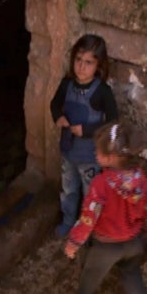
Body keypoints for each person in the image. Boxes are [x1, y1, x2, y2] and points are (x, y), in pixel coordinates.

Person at [63, 122, 147, 294]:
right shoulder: (140, 178)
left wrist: (73, 243)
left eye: (97, 152)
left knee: (92, 272)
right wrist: (146, 232)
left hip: (107, 246)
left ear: (110, 158)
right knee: (131, 271)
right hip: (134, 242)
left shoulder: (101, 184)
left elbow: (88, 219)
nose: (94, 154)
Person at [50, 34, 118, 238]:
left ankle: (89, 228)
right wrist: (58, 116)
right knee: (69, 189)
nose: (81, 67)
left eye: (88, 62)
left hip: (89, 157)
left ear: (98, 65)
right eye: (78, 60)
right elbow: (54, 103)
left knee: (91, 195)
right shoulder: (67, 84)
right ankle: (68, 220)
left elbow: (113, 123)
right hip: (68, 153)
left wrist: (87, 131)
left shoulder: (102, 92)